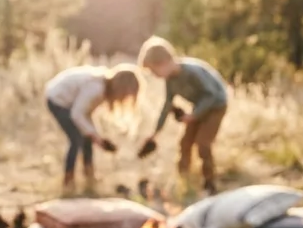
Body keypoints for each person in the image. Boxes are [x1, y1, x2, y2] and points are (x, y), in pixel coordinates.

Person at [136, 36, 228, 195]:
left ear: (164, 63)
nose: (154, 75)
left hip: (216, 106)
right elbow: (167, 105)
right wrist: (155, 133)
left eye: (153, 70)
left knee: (203, 144)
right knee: (185, 143)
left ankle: (210, 183)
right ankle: (184, 181)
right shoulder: (170, 80)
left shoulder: (191, 72)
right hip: (198, 108)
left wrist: (194, 115)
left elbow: (211, 95)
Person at [45, 63, 142, 192]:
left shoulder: (103, 87)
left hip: (69, 103)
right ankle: (68, 181)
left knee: (87, 136)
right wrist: (97, 137)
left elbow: (86, 115)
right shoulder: (96, 88)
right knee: (76, 139)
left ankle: (89, 176)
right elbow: (77, 114)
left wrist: (95, 136)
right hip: (57, 99)